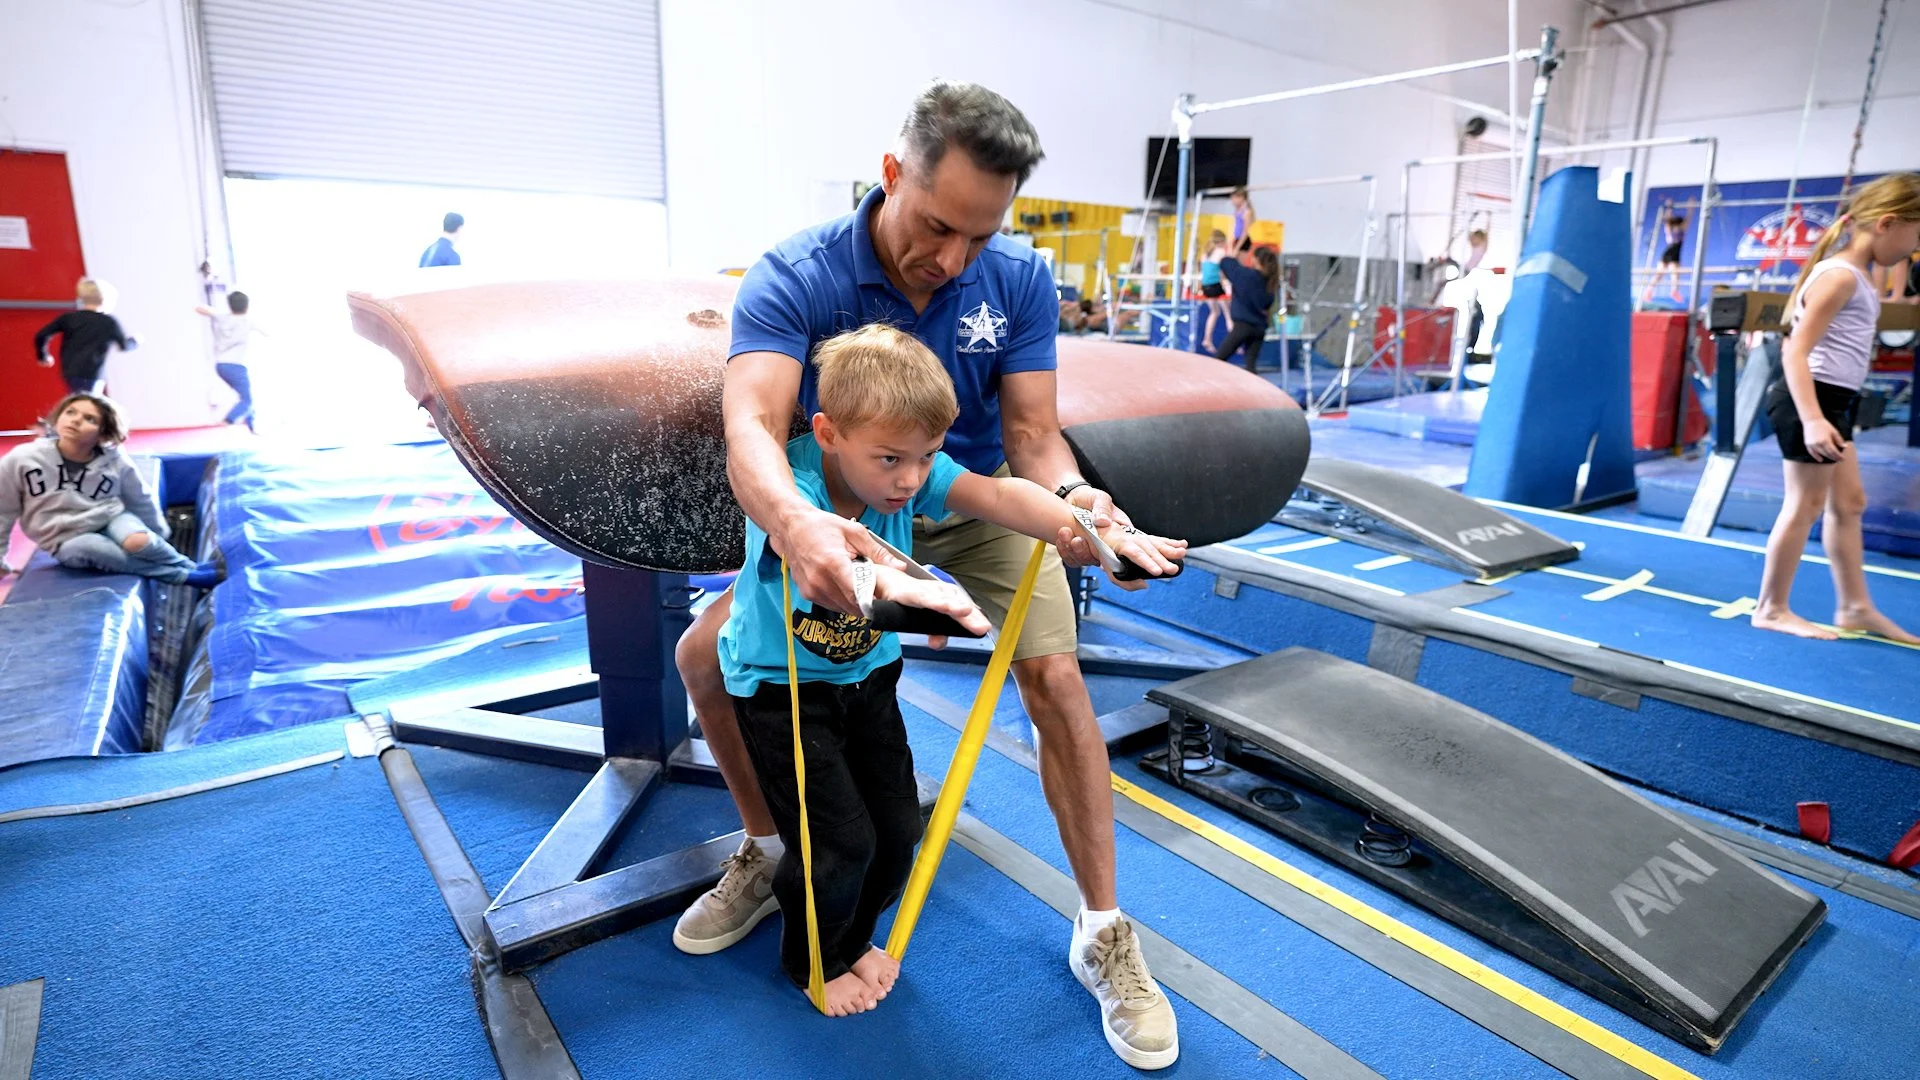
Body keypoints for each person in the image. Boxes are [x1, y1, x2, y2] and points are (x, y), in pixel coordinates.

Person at [672, 80, 1185, 1069]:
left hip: (965, 492)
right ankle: (772, 849)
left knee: (1059, 678)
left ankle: (1104, 930)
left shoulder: (1020, 279)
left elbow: (1035, 443)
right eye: (939, 226)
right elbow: (751, 427)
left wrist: (1085, 509)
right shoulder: (798, 275)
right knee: (706, 659)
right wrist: (798, 525)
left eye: (979, 239)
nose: (952, 259)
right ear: (892, 174)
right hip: (847, 507)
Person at [723, 324, 1184, 1017]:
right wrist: (911, 588)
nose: (909, 480)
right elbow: (829, 574)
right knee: (836, 843)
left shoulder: (911, 473)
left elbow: (996, 497)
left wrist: (1075, 523)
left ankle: (849, 938)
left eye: (925, 457)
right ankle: (815, 960)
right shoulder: (794, 483)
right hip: (784, 692)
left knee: (899, 830)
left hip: (867, 679)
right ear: (827, 432)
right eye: (889, 460)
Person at [1752, 172, 1920, 644]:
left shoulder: (1860, 276)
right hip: (1810, 398)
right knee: (1805, 504)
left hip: (1833, 400)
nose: (1913, 249)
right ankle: (1771, 608)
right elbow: (1794, 352)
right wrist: (1812, 419)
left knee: (1850, 504)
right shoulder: (1841, 276)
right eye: (1916, 235)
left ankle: (1854, 606)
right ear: (1887, 224)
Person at [0, 393, 222, 587]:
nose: (76, 420)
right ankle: (183, 577)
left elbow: (138, 496)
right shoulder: (22, 459)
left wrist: (157, 531)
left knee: (138, 541)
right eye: (70, 412)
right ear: (58, 417)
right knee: (95, 548)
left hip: (110, 517)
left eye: (89, 419)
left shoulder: (113, 459)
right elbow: (3, 511)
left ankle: (188, 565)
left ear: (103, 434)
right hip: (65, 539)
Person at [33, 279, 137, 395]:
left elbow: (41, 335)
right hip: (93, 373)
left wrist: (43, 356)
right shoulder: (109, 322)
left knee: (78, 398)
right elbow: (123, 346)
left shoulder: (69, 318)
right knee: (89, 402)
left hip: (70, 371)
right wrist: (134, 341)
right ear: (105, 299)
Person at [195, 291, 260, 431]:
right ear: (247, 306)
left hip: (220, 366)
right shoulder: (248, 320)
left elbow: (200, 308)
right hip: (236, 366)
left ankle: (252, 424)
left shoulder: (222, 317)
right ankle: (228, 421)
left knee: (246, 396)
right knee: (247, 400)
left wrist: (215, 312)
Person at [1214, 247, 1281, 373]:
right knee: (1251, 366)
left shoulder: (1246, 276)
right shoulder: (1270, 282)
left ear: (1255, 260)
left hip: (1243, 326)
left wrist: (1233, 255)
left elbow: (1226, 263)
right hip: (1259, 328)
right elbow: (1267, 304)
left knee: (1218, 360)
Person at [1642, 210, 1688, 305]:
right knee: (1661, 274)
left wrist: (1690, 207)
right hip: (1669, 253)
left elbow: (1687, 219)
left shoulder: (1681, 230)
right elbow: (1667, 221)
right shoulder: (1670, 231)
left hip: (1674, 253)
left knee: (1674, 275)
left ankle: (1673, 291)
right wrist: (1669, 209)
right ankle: (1649, 291)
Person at [1198, 229, 1231, 349]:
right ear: (1222, 242)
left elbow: (1206, 272)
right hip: (1215, 286)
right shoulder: (1221, 252)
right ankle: (1235, 343)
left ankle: (1207, 339)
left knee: (1214, 312)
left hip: (1205, 287)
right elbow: (1224, 271)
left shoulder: (1205, 254)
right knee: (1228, 314)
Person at [1229, 187, 1257, 253]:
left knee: (1238, 262)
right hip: (1237, 239)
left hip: (1243, 241)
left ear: (1241, 198)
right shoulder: (1237, 211)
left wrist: (1237, 248)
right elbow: (1235, 228)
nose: (1232, 201)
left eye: (1234, 198)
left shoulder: (1247, 212)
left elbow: (1244, 232)